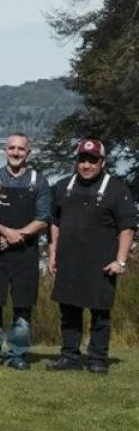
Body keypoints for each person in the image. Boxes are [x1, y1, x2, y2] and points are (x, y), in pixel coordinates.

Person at [48, 138, 136, 374]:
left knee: (100, 312)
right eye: (82, 160)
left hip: (102, 263)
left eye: (92, 160)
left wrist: (120, 261)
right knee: (69, 311)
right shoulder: (63, 186)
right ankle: (69, 356)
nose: (86, 165)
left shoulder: (117, 189)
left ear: (102, 162)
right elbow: (54, 223)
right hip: (69, 260)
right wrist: (52, 253)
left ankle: (97, 358)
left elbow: (127, 227)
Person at [0, 134, 52, 370]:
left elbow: (43, 218)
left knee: (23, 305)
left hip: (26, 253)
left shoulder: (39, 182)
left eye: (21, 149)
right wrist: (4, 233)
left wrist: (17, 235)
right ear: (5, 150)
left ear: (28, 153)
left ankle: (18, 353)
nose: (16, 153)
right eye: (12, 148)